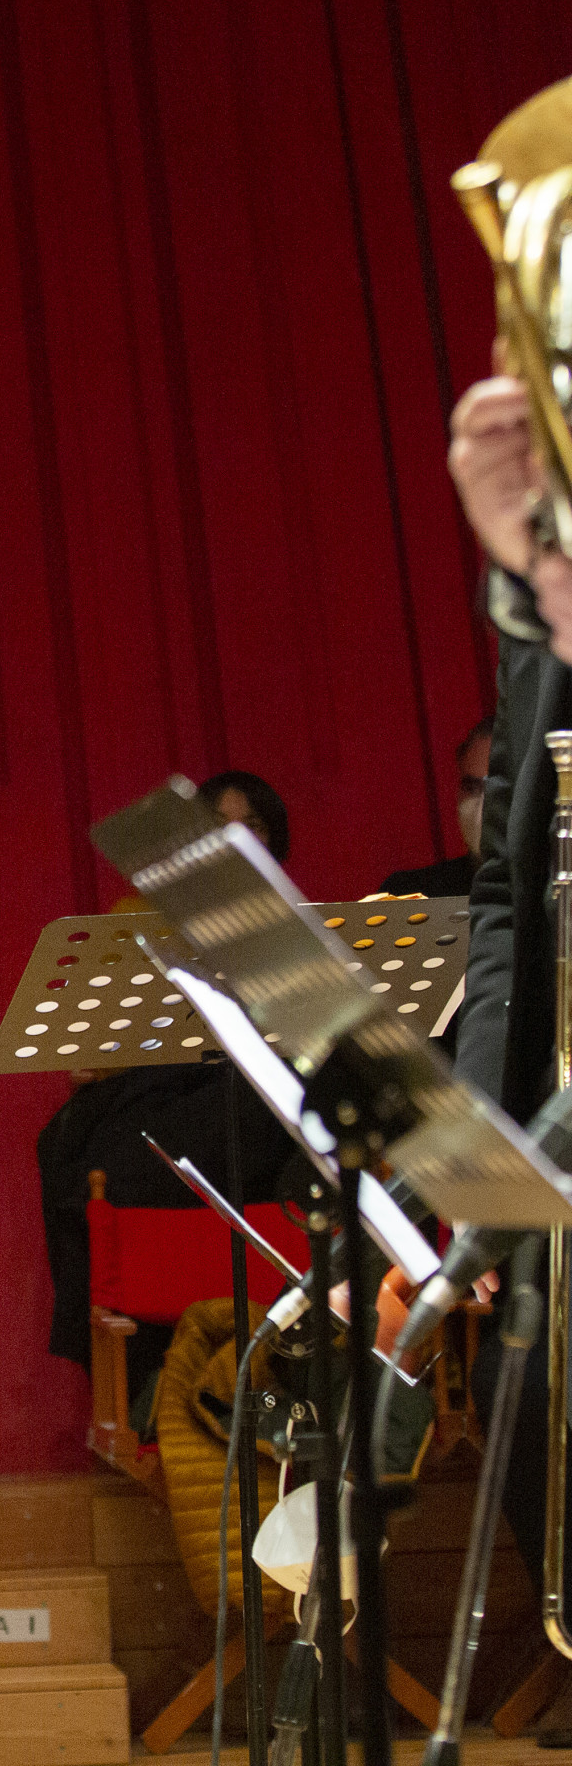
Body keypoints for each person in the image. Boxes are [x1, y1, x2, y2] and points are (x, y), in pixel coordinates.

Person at [446, 359, 572, 1623]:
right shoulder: (529, 615)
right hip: (555, 1113)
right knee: (526, 1393)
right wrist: (476, 1152)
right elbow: (502, 894)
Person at [380, 718, 492, 899]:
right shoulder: (409, 896)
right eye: (471, 788)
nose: (482, 807)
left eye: (498, 791)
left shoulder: (552, 900)